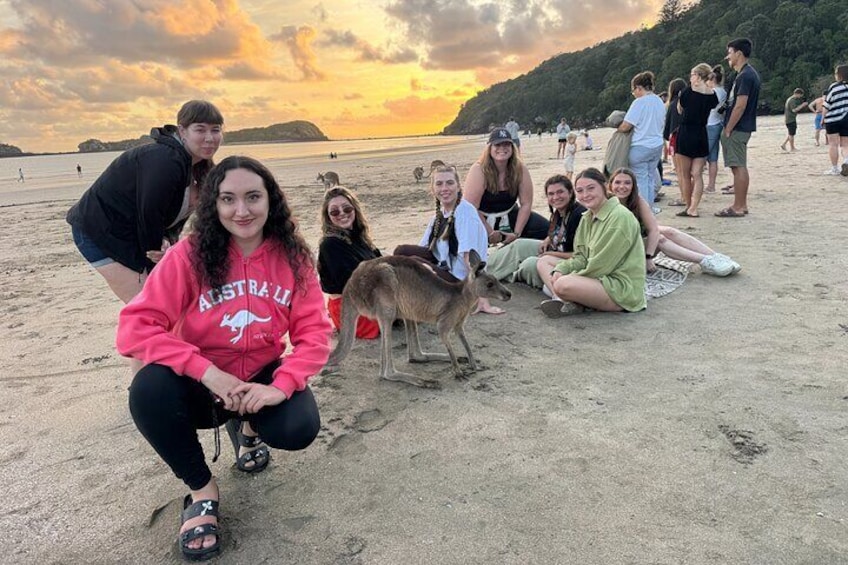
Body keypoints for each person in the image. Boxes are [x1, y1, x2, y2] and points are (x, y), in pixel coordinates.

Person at [116, 156, 331, 561]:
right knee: (147, 391)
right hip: (203, 383)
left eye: (253, 197)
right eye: (228, 199)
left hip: (260, 376)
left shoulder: (294, 257)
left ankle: (248, 426)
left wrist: (281, 386)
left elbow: (315, 333)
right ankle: (202, 490)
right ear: (213, 203)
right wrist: (206, 371)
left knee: (298, 427)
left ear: (271, 200)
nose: (241, 210)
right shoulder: (188, 255)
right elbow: (135, 327)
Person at [66, 100, 224, 303]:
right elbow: (149, 215)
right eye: (200, 130)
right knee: (151, 304)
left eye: (215, 130)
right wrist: (155, 262)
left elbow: (172, 216)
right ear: (182, 131)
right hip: (99, 230)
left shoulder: (200, 167)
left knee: (169, 298)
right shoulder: (166, 160)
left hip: (132, 230)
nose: (209, 138)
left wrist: (168, 242)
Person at [538, 167, 646, 318]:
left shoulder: (619, 218)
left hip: (619, 288)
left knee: (562, 284)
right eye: (580, 191)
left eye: (591, 188)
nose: (585, 195)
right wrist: (561, 269)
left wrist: (568, 277)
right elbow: (581, 257)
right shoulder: (587, 217)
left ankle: (567, 298)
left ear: (604, 186)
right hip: (598, 278)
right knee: (544, 262)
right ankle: (564, 299)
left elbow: (601, 266)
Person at [394, 164, 493, 311]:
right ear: (433, 189)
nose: (444, 188)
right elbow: (425, 249)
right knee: (401, 252)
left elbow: (471, 259)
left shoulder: (465, 213)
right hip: (444, 266)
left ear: (458, 187)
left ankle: (408, 304)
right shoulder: (440, 215)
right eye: (439, 184)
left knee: (413, 264)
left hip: (460, 281)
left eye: (450, 183)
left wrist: (482, 298)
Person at [608, 168, 740, 277]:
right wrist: (648, 258)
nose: (622, 187)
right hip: (620, 251)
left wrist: (648, 256)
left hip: (635, 242)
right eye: (617, 182)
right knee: (660, 239)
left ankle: (715, 257)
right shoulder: (607, 203)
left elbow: (653, 229)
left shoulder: (637, 201)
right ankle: (704, 260)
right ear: (610, 185)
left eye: (627, 183)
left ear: (633, 186)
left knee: (667, 231)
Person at [485, 174, 585, 289]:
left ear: (570, 192)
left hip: (569, 262)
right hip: (555, 250)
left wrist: (550, 254)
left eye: (560, 192)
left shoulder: (579, 216)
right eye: (551, 194)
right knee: (519, 245)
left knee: (530, 264)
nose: (556, 197)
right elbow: (559, 231)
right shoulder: (559, 212)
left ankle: (500, 276)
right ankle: (481, 271)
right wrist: (548, 239)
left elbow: (580, 257)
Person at [464, 127, 549, 248]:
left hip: (510, 214)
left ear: (512, 147)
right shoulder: (479, 170)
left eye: (506, 144)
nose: (502, 148)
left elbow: (526, 203)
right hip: (481, 219)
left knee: (548, 230)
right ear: (490, 148)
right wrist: (491, 233)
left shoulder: (520, 169)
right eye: (497, 145)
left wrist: (516, 234)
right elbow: (471, 208)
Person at [317, 186, 381, 339]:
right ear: (328, 216)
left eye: (347, 208)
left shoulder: (358, 237)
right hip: (351, 309)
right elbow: (350, 284)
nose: (342, 214)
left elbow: (380, 260)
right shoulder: (330, 244)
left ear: (355, 209)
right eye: (334, 212)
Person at [716, 38, 760, 217]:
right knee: (737, 166)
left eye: (730, 52)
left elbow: (740, 105)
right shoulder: (746, 74)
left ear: (739, 53)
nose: (728, 57)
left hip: (738, 128)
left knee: (738, 165)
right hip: (741, 127)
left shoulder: (745, 76)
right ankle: (741, 205)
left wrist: (729, 128)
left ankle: (739, 206)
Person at [674, 63, 718, 218]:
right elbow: (713, 105)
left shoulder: (688, 91)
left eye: (692, 74)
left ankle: (688, 206)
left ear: (698, 76)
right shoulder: (712, 94)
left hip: (686, 132)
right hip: (701, 133)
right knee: (697, 174)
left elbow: (680, 108)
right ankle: (694, 207)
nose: (690, 77)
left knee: (685, 174)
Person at [619, 71, 666, 208]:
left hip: (640, 146)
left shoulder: (639, 103)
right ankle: (649, 208)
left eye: (633, 90)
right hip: (657, 145)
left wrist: (618, 129)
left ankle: (643, 210)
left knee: (640, 181)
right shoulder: (659, 101)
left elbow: (626, 125)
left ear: (639, 88)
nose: (633, 93)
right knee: (650, 178)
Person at [663, 77, 687, 207]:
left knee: (680, 172)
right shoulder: (690, 102)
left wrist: (666, 137)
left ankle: (684, 197)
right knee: (691, 172)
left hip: (677, 138)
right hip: (692, 137)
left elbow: (668, 126)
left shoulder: (673, 105)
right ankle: (691, 196)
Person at [705, 65, 728, 193]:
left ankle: (700, 184)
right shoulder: (723, 91)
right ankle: (711, 185)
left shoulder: (713, 92)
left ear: (712, 80)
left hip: (711, 124)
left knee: (703, 155)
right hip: (719, 123)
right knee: (713, 158)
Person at [822, 64, 848, 177]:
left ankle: (834, 169)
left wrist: (822, 118)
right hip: (846, 119)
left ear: (839, 75)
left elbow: (827, 104)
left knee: (833, 144)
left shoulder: (834, 87)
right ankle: (846, 161)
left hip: (832, 119)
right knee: (845, 144)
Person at [781, 88, 808, 152]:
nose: (800, 97)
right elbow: (794, 110)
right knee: (791, 134)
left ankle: (784, 144)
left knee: (791, 133)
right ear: (797, 94)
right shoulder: (792, 100)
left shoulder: (790, 99)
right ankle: (792, 148)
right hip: (790, 119)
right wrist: (802, 105)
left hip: (789, 119)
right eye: (800, 95)